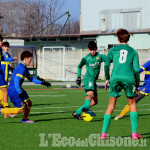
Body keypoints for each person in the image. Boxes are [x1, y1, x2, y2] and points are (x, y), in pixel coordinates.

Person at [101, 29, 142, 140]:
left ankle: (103, 134)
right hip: (129, 78)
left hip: (115, 78)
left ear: (118, 38)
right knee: (132, 104)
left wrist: (107, 79)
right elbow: (137, 70)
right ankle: (134, 133)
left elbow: (106, 65)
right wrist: (137, 85)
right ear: (128, 38)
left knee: (111, 105)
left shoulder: (113, 50)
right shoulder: (133, 51)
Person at [0, 51, 51, 123]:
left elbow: (31, 79)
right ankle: (1, 110)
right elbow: (16, 81)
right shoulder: (21, 68)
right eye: (30, 59)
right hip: (14, 90)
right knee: (21, 110)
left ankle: (24, 119)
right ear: (25, 59)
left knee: (29, 103)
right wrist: (19, 93)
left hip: (18, 89)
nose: (30, 61)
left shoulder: (24, 67)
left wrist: (43, 83)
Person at [72, 41, 106, 120]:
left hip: (93, 80)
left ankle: (76, 112)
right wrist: (78, 77)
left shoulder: (100, 56)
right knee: (90, 94)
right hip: (88, 78)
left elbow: (109, 60)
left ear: (96, 49)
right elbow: (79, 66)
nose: (93, 51)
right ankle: (86, 109)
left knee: (95, 102)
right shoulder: (86, 58)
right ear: (88, 49)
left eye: (94, 50)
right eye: (91, 50)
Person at [0, 42, 18, 110]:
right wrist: (12, 59)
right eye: (5, 47)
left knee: (3, 90)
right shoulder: (2, 54)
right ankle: (5, 105)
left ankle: (3, 103)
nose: (6, 48)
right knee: (4, 90)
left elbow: (7, 64)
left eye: (7, 47)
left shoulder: (9, 55)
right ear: (2, 47)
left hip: (6, 75)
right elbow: (5, 59)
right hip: (1, 75)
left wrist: (11, 68)